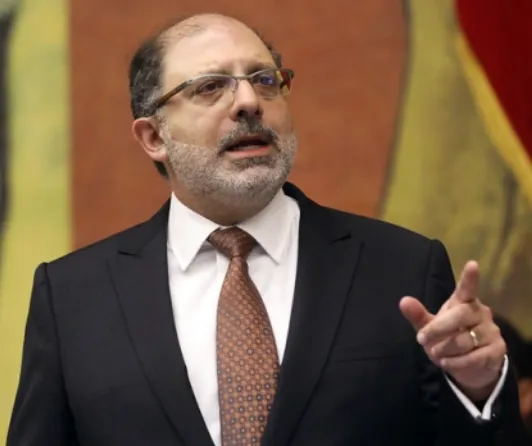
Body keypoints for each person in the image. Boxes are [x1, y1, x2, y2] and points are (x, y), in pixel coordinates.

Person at [7, 12, 530, 446]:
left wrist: (480, 389)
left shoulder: (402, 268)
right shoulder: (73, 296)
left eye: (264, 80)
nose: (249, 102)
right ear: (153, 137)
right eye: (210, 87)